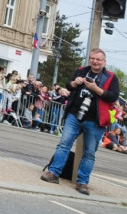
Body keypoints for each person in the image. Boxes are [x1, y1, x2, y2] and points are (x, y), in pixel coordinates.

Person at [41, 48, 119, 195]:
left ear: (104, 61)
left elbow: (113, 96)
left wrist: (96, 89)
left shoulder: (110, 77)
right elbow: (69, 85)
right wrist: (75, 83)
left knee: (89, 152)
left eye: (98, 59)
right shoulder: (82, 70)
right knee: (64, 144)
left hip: (95, 120)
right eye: (92, 58)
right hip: (75, 114)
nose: (95, 62)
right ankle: (53, 173)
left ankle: (82, 182)